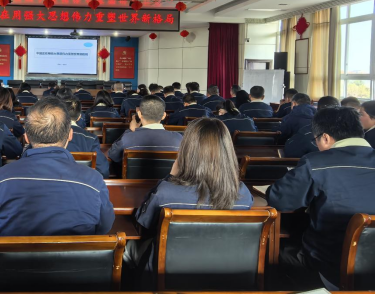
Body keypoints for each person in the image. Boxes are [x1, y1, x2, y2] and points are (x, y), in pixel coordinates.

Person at [127, 118, 254, 283]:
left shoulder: (166, 193)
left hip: (170, 273)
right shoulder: (243, 193)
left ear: (187, 151)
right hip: (227, 272)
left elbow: (143, 222)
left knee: (128, 247)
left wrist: (169, 177)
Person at [267, 107, 375, 290]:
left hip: (330, 265)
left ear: (325, 138)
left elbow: (279, 199)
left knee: (277, 253)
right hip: (370, 269)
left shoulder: (316, 163)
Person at [0, 97, 115, 237]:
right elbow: (104, 226)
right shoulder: (94, 181)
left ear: (26, 137)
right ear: (70, 135)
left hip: (14, 252)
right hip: (76, 252)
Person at [108, 95, 183, 165]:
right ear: (164, 116)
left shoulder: (128, 138)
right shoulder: (179, 138)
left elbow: (112, 155)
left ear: (139, 114)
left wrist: (130, 130)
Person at [65, 97, 109, 178]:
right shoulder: (91, 139)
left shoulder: (51, 135)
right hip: (83, 181)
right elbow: (103, 170)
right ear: (79, 117)